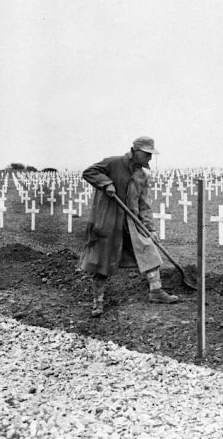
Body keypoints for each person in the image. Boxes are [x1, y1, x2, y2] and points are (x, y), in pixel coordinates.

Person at [79, 136, 179, 317]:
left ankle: (156, 291)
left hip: (131, 221)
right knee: (102, 261)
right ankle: (98, 302)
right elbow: (89, 172)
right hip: (108, 220)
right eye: (147, 154)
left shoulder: (141, 175)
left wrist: (151, 228)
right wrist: (106, 183)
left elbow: (144, 204)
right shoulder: (113, 163)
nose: (150, 158)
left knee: (148, 249)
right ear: (136, 151)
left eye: (151, 155)